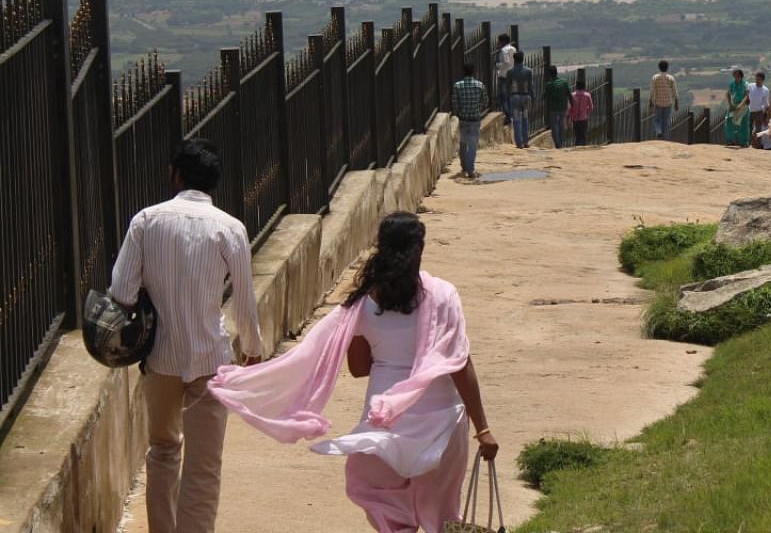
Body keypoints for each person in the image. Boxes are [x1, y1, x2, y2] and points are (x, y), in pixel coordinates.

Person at [209, 213, 499, 533]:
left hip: (384, 419)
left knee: (388, 507)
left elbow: (359, 368)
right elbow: (460, 363)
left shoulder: (362, 303)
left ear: (382, 248)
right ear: (420, 249)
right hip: (441, 418)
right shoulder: (444, 295)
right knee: (439, 514)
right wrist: (483, 429)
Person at [109, 139, 264, 533]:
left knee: (162, 450)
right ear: (215, 181)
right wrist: (252, 349)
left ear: (176, 175)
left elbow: (122, 292)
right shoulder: (230, 229)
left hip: (159, 358)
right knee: (204, 465)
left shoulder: (146, 221)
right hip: (211, 359)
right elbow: (245, 301)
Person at [451, 63, 488, 179]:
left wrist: (458, 112)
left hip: (463, 118)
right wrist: (478, 108)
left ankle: (464, 166)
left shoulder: (457, 86)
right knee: (472, 145)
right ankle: (471, 170)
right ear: (473, 72)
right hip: (475, 118)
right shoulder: (480, 85)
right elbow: (486, 102)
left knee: (463, 143)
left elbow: (454, 103)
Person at [507, 50, 535, 149]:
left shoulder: (510, 72)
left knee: (516, 120)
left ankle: (519, 143)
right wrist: (533, 97)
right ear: (522, 59)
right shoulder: (528, 71)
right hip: (526, 97)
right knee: (525, 119)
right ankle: (526, 141)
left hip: (514, 97)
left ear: (514, 59)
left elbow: (508, 86)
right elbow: (531, 86)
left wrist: (507, 97)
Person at [649, 60, 679, 140]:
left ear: (659, 67)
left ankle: (658, 131)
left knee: (657, 120)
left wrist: (650, 101)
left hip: (658, 102)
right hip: (668, 102)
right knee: (666, 121)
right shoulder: (671, 78)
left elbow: (652, 90)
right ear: (667, 68)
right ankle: (666, 138)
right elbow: (675, 91)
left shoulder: (655, 78)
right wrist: (676, 102)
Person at [544, 66, 572, 149]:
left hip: (553, 108)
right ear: (556, 72)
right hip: (563, 107)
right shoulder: (564, 82)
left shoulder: (549, 84)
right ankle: (562, 141)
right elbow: (569, 94)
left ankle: (557, 143)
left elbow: (546, 97)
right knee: (561, 124)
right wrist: (572, 104)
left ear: (549, 74)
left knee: (554, 126)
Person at [725, 69, 750, 147]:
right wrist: (730, 104)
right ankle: (730, 140)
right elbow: (728, 94)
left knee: (744, 124)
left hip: (743, 106)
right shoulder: (732, 84)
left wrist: (741, 105)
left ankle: (744, 142)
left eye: (737, 75)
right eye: (734, 75)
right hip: (734, 105)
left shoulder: (745, 84)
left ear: (740, 76)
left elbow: (746, 96)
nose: (735, 77)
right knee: (729, 121)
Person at [494, 34, 516, 124]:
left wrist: (498, 65)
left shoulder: (503, 50)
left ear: (502, 41)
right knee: (510, 96)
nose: (498, 43)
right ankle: (510, 115)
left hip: (504, 75)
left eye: (499, 41)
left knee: (503, 97)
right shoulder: (513, 49)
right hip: (512, 75)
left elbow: (506, 62)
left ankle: (508, 115)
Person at [747, 71, 770, 148]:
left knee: (758, 129)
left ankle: (758, 144)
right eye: (756, 79)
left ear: (763, 80)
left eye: (759, 79)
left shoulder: (765, 90)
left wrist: (766, 114)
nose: (757, 81)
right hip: (749, 110)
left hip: (759, 111)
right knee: (748, 127)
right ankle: (748, 142)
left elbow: (766, 103)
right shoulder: (750, 86)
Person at [569, 79, 594, 146]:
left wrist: (571, 115)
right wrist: (586, 112)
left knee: (577, 134)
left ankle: (577, 146)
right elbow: (591, 107)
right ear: (584, 87)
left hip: (575, 118)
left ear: (576, 86)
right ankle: (583, 147)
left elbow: (570, 107)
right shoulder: (587, 95)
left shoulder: (572, 95)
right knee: (583, 134)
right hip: (584, 118)